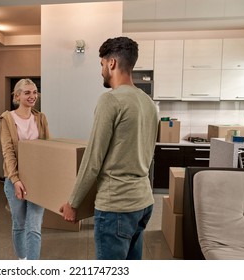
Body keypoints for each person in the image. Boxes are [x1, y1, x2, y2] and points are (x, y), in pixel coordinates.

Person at [60, 37, 159, 260]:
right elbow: (148, 154)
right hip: (143, 202)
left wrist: (73, 203)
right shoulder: (148, 103)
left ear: (112, 63)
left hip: (117, 206)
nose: (102, 71)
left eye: (102, 65)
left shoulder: (110, 100)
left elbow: (93, 159)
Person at [0, 78, 50, 260]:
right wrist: (16, 180)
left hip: (37, 181)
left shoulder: (41, 118)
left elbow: (47, 149)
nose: (32, 96)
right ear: (17, 95)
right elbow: (8, 152)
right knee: (19, 225)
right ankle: (22, 262)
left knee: (34, 227)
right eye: (27, 92)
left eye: (35, 92)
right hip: (15, 182)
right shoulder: (7, 119)